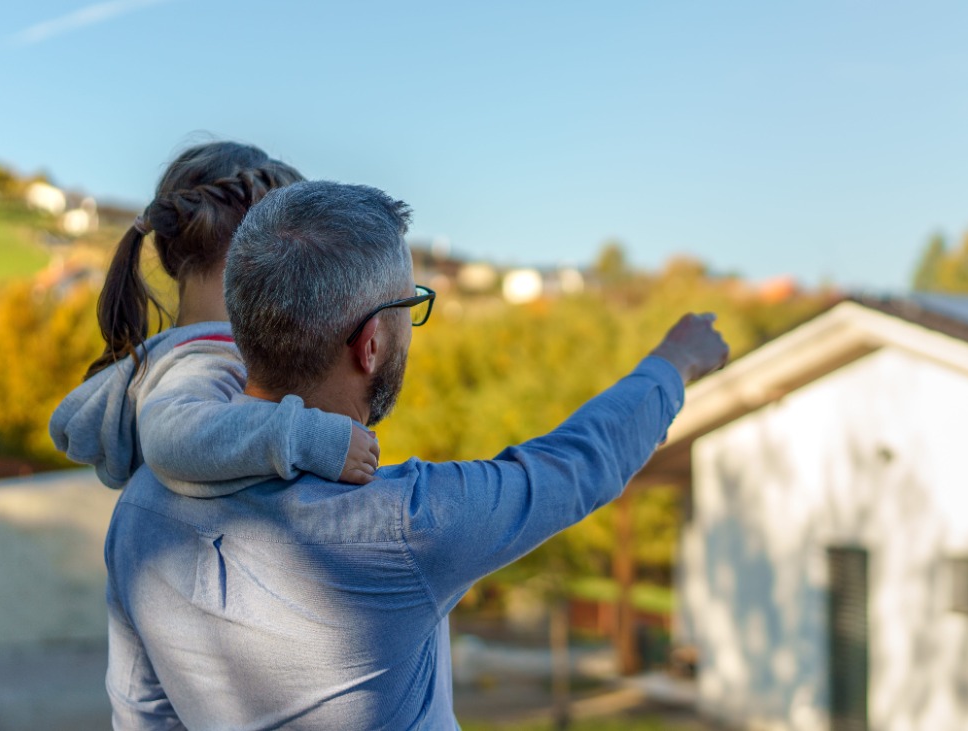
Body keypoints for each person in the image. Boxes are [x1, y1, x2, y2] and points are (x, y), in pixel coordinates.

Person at [102, 181, 728, 730]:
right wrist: (674, 364)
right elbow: (578, 464)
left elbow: (141, 711)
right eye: (411, 308)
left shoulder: (140, 511)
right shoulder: (405, 529)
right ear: (371, 343)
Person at [49, 142, 382, 497]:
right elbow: (172, 439)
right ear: (266, 249)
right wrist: (310, 437)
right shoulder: (206, 358)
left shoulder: (186, 353)